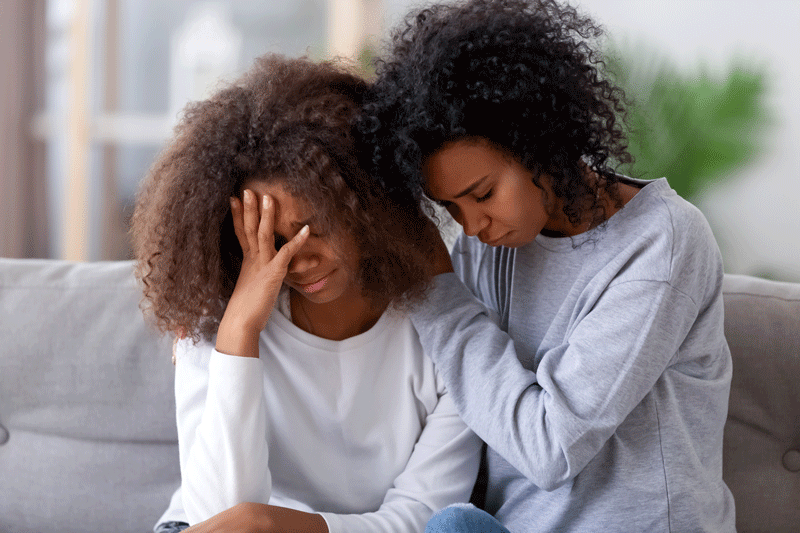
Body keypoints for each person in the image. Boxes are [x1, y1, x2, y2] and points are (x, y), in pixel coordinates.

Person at [359, 0, 736, 531]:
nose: (470, 227)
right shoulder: (488, 245)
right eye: (449, 208)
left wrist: (438, 294)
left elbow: (550, 448)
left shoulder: (661, 243)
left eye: (483, 194)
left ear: (540, 144)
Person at [130, 54, 481, 533]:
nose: (299, 259)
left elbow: (425, 517)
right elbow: (221, 520)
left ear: (368, 203)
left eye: (315, 227)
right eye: (271, 241)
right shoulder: (217, 319)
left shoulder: (444, 331)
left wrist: (275, 524)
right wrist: (239, 332)